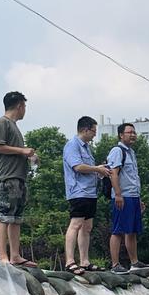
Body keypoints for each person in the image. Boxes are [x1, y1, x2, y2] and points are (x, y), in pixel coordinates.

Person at [0, 91, 38, 267]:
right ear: (19, 105)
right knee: (4, 215)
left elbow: (13, 150)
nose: (25, 110)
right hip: (7, 177)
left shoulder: (14, 126)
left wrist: (29, 156)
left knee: (16, 218)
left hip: (19, 177)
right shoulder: (2, 123)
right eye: (24, 106)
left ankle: (15, 256)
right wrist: (22, 150)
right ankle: (3, 256)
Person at [62, 116, 110, 275]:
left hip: (90, 192)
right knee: (75, 224)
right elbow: (78, 167)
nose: (94, 135)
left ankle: (84, 261)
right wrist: (97, 169)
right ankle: (69, 261)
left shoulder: (87, 148)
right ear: (85, 129)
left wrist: (100, 172)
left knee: (87, 227)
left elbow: (89, 169)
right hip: (78, 191)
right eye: (93, 131)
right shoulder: (72, 145)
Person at [108, 123, 147, 273]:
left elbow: (132, 177)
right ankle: (115, 264)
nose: (133, 135)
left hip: (133, 196)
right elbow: (113, 173)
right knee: (118, 230)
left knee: (132, 231)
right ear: (121, 135)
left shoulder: (131, 152)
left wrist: (138, 199)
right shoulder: (117, 151)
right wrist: (118, 194)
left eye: (134, 132)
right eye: (129, 132)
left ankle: (134, 262)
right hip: (122, 196)